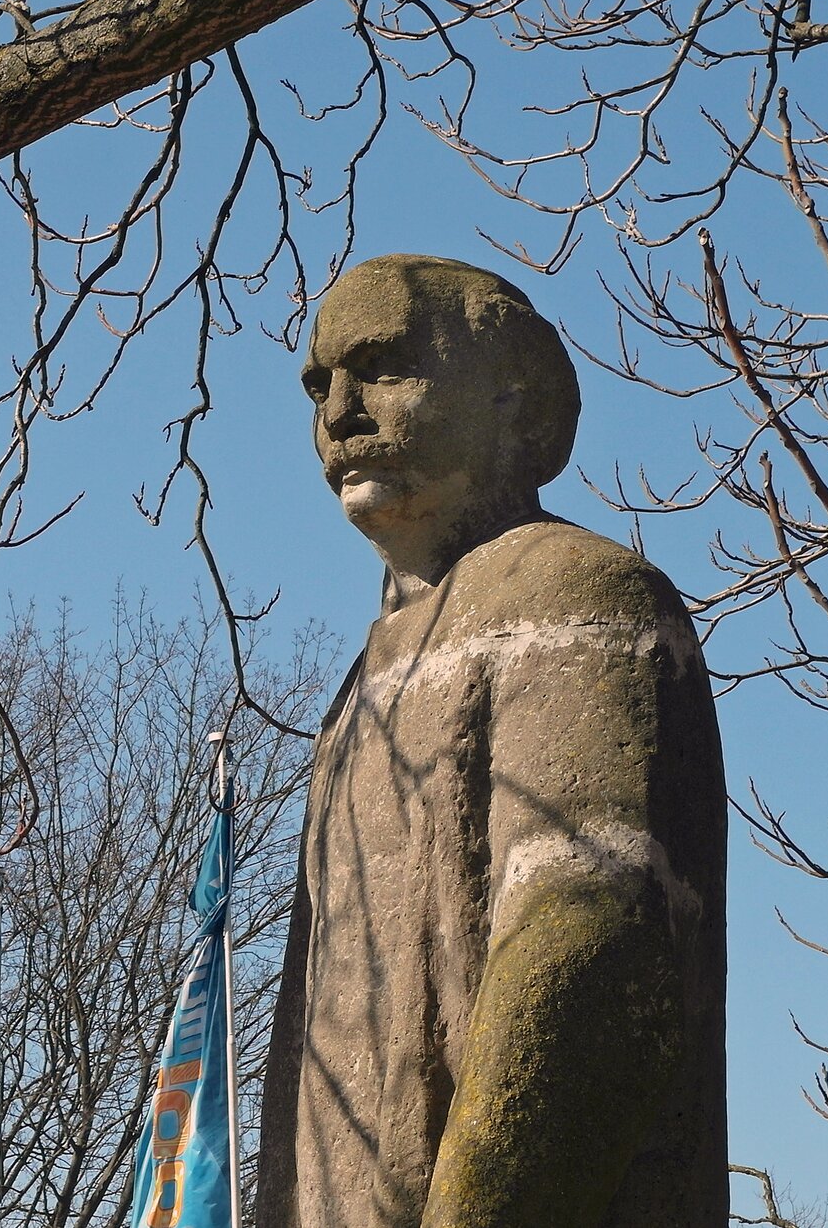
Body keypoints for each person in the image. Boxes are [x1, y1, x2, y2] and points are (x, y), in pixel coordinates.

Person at [256, 255, 727, 1228]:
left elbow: (587, 950)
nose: (339, 413)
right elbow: (299, 1048)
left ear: (521, 403)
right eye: (318, 386)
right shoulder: (352, 698)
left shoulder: (575, 592)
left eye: (382, 368)